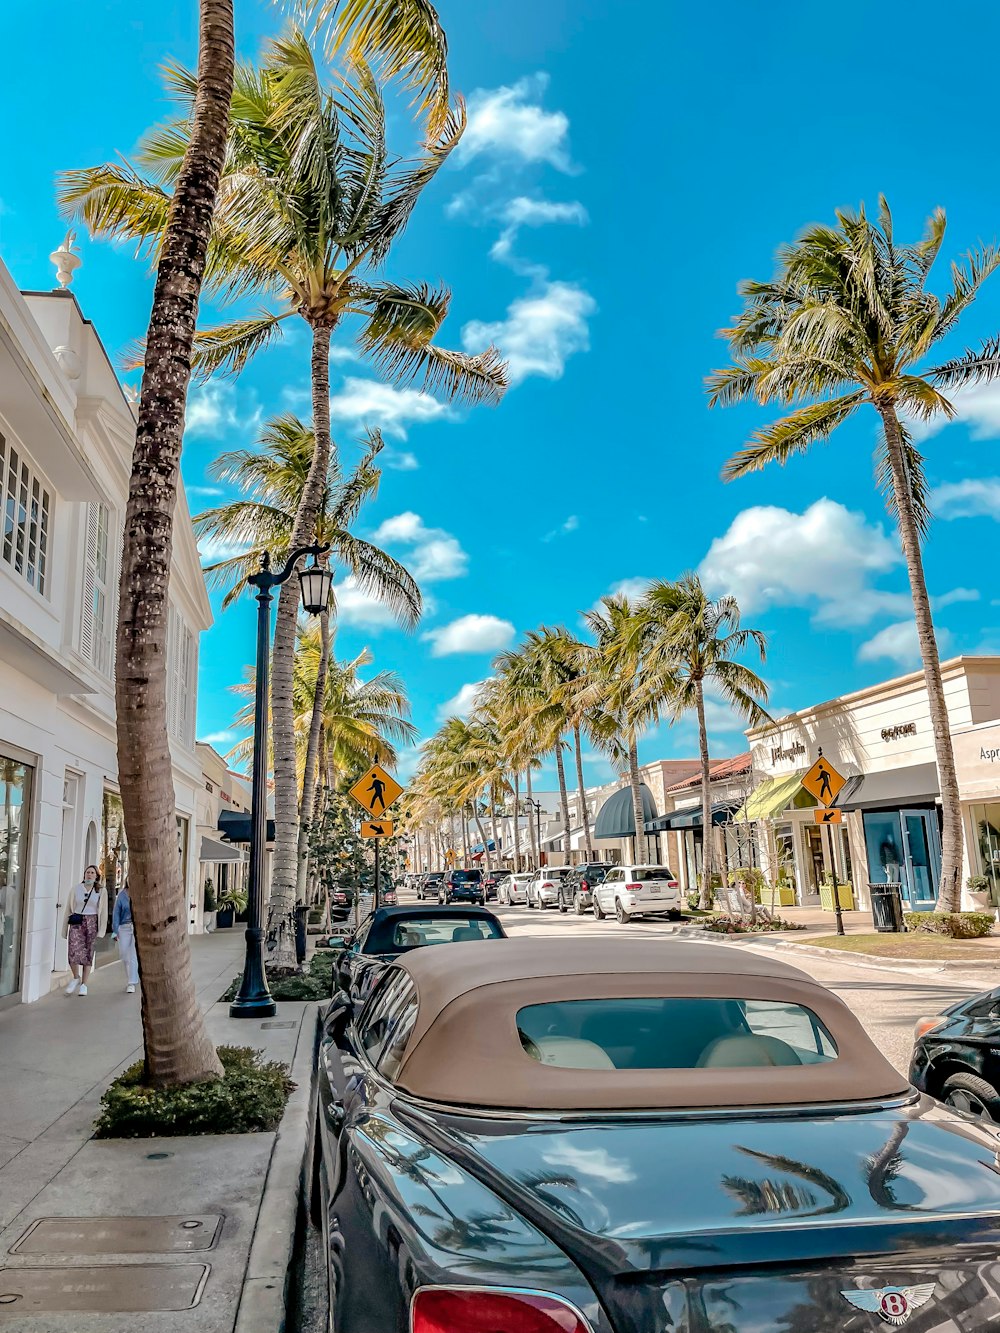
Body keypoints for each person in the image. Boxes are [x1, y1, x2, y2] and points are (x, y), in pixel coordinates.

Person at [61, 865, 108, 996]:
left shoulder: (101, 891)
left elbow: (103, 912)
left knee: (88, 953)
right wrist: (64, 927)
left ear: (96, 876)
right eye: (88, 872)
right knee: (73, 951)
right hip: (77, 921)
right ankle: (76, 977)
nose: (89, 875)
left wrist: (101, 931)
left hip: (92, 922)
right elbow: (68, 909)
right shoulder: (76, 889)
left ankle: (84, 984)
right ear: (84, 874)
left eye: (92, 873)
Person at [112, 881, 139, 994]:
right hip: (124, 927)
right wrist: (115, 929)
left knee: (133, 956)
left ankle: (131, 982)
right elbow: (116, 913)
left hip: (137, 927)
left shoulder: (139, 893)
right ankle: (131, 977)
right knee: (124, 955)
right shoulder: (122, 895)